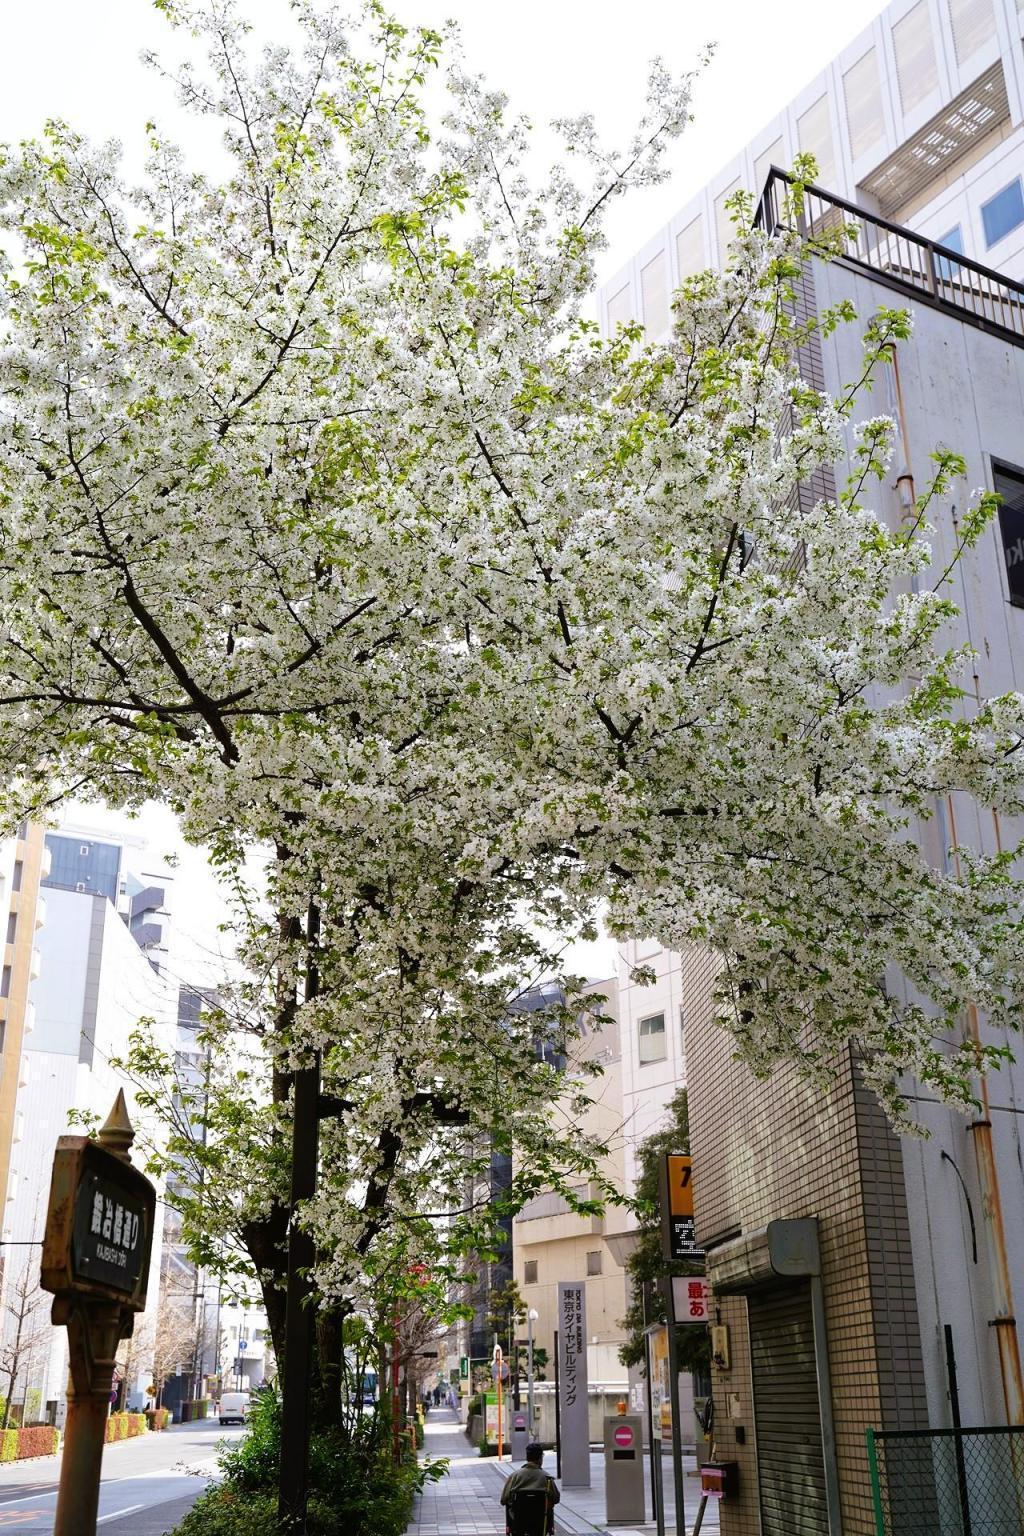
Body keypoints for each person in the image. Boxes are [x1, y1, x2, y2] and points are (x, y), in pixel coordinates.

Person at [500, 1443, 559, 1536]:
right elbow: (556, 1498)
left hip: (518, 1522)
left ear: (527, 1457)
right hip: (540, 1524)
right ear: (540, 1458)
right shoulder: (546, 1477)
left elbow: (503, 1500)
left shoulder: (514, 1476)